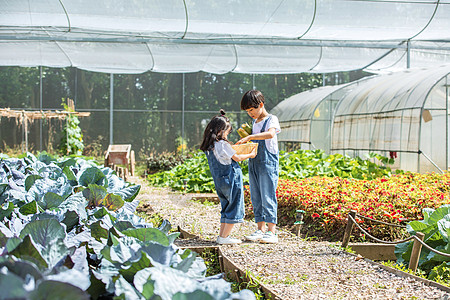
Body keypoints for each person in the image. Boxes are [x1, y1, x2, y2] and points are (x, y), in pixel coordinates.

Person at [200, 109, 257, 245]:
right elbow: (236, 157)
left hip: (220, 181)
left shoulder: (212, 146)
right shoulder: (223, 145)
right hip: (231, 179)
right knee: (235, 206)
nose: (227, 134)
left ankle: (222, 236)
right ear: (220, 131)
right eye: (227, 131)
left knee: (226, 207)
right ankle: (225, 237)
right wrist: (250, 154)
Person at [235, 90, 281, 244]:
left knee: (268, 196)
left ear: (260, 105)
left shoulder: (271, 120)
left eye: (251, 110)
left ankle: (272, 231)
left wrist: (250, 136)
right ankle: (260, 229)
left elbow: (270, 135)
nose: (250, 114)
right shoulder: (255, 123)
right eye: (247, 111)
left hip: (268, 163)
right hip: (254, 162)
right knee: (256, 196)